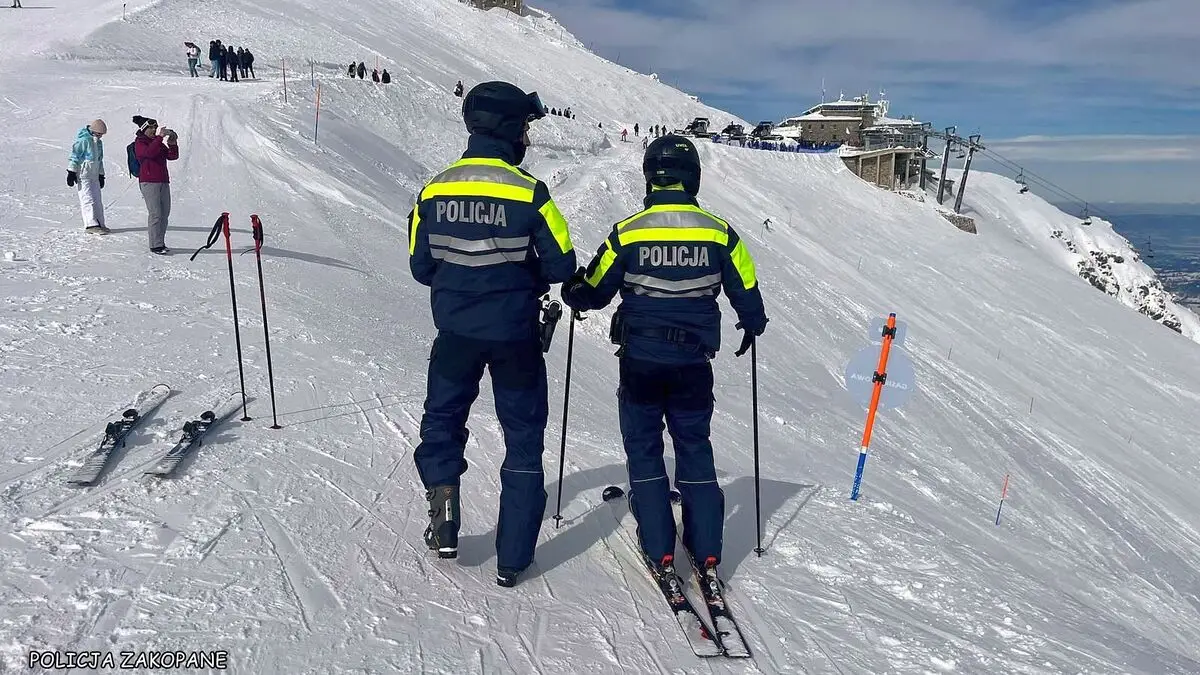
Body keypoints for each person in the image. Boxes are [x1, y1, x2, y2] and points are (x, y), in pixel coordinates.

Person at [559, 133, 768, 584]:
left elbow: (594, 289)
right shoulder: (720, 233)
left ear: (650, 178)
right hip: (694, 362)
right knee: (694, 446)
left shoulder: (630, 231)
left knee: (644, 449)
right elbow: (746, 289)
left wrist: (573, 291)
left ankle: (660, 546)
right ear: (692, 178)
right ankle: (707, 547)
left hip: (641, 361)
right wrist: (752, 324)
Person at [407, 81, 576, 588]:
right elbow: (562, 263)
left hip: (455, 334)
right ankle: (513, 557)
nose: (526, 135)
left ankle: (445, 518)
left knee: (442, 421)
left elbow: (420, 266)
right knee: (522, 439)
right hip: (516, 336)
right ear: (507, 128)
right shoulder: (530, 192)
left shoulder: (434, 189)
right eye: (524, 126)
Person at [131, 116, 179, 255]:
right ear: (144, 129)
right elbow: (148, 154)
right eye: (150, 127)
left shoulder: (156, 142)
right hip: (149, 182)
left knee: (165, 213)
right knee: (155, 213)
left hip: (163, 181)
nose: (153, 130)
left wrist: (172, 143)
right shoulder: (140, 142)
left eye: (155, 127)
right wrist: (159, 138)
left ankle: (160, 242)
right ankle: (155, 245)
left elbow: (172, 156)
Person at [66, 119, 109, 235]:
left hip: (94, 175)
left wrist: (101, 175)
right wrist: (71, 172)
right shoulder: (83, 141)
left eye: (102, 135)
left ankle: (99, 223)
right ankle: (90, 224)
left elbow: (99, 160)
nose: (100, 137)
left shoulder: (98, 143)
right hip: (83, 175)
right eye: (99, 134)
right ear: (93, 131)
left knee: (97, 200)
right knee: (87, 199)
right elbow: (74, 157)